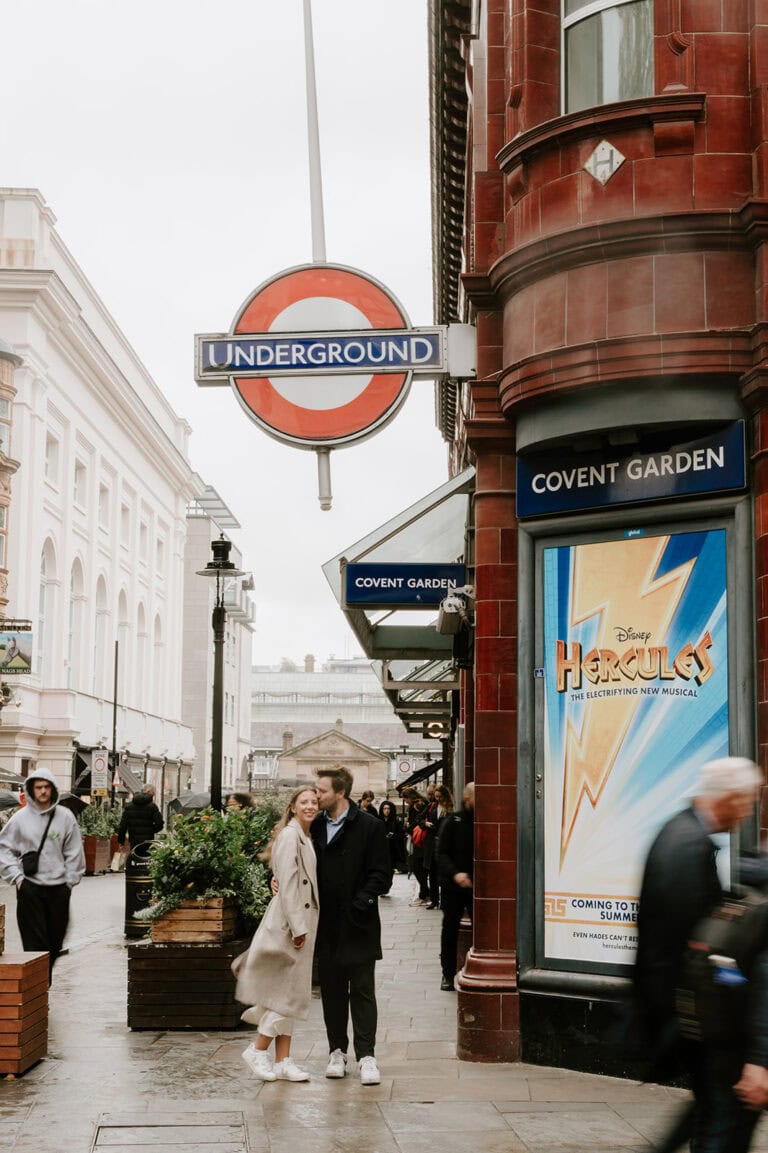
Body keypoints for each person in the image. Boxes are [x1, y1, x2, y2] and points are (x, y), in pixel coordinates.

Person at [634, 755, 764, 1152]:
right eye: (745, 801)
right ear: (727, 797)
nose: (747, 812)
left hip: (692, 1016)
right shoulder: (689, 847)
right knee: (722, 1117)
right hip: (698, 1016)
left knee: (712, 1109)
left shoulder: (682, 832)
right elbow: (686, 945)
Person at [233, 786, 319, 1082]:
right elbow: (289, 883)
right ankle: (257, 1050)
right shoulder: (290, 836)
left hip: (298, 922)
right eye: (304, 802)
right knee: (286, 996)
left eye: (314, 802)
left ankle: (283, 1061)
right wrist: (298, 927)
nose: (310, 806)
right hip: (290, 924)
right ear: (293, 807)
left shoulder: (302, 836)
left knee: (289, 993)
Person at [313, 766, 390, 1085]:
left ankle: (367, 1056)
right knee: (331, 990)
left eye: (321, 790)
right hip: (324, 923)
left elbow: (381, 874)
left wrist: (361, 903)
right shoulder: (313, 825)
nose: (315, 795)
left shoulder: (369, 826)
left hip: (358, 923)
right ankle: (336, 1051)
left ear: (340, 793)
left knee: (362, 990)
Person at [0, 766, 85, 982]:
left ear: (53, 789)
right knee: (33, 944)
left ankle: (42, 979)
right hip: (30, 887)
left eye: (47, 787)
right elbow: (3, 847)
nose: (43, 791)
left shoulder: (65, 817)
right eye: (38, 787)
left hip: (58, 888)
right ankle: (39, 986)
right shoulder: (20, 819)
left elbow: (74, 850)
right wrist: (17, 878)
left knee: (56, 940)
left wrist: (70, 881)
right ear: (31, 789)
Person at [436, 781, 474, 991]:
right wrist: (455, 874)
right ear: (467, 798)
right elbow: (441, 853)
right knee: (450, 930)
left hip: (477, 887)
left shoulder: (484, 819)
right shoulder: (454, 821)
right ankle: (447, 974)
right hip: (453, 887)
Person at [424, 784, 453, 909]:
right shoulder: (432, 806)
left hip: (445, 845)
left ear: (444, 796)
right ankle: (434, 900)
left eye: (439, 797)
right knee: (432, 873)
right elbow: (419, 819)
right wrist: (425, 823)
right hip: (432, 845)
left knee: (444, 874)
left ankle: (445, 901)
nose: (437, 799)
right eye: (436, 797)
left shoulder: (450, 808)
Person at [402, 787, 430, 905]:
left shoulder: (419, 805)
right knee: (418, 866)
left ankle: (424, 894)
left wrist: (408, 828)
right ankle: (425, 893)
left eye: (405, 799)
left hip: (421, 840)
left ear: (410, 797)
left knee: (417, 866)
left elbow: (419, 820)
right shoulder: (419, 803)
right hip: (419, 839)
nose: (405, 802)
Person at [117, 784, 164, 850]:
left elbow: (123, 826)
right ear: (148, 792)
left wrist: (121, 841)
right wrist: (151, 831)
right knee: (147, 859)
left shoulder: (129, 807)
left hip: (134, 840)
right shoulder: (153, 807)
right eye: (153, 793)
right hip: (148, 841)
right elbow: (159, 823)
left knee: (134, 857)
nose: (154, 795)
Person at [379, 799, 406, 890]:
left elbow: (402, 834)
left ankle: (387, 885)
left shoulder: (396, 821)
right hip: (381, 849)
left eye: (388, 809)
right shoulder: (378, 822)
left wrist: (393, 835)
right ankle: (382, 885)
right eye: (385, 808)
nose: (386, 811)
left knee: (390, 870)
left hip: (392, 850)